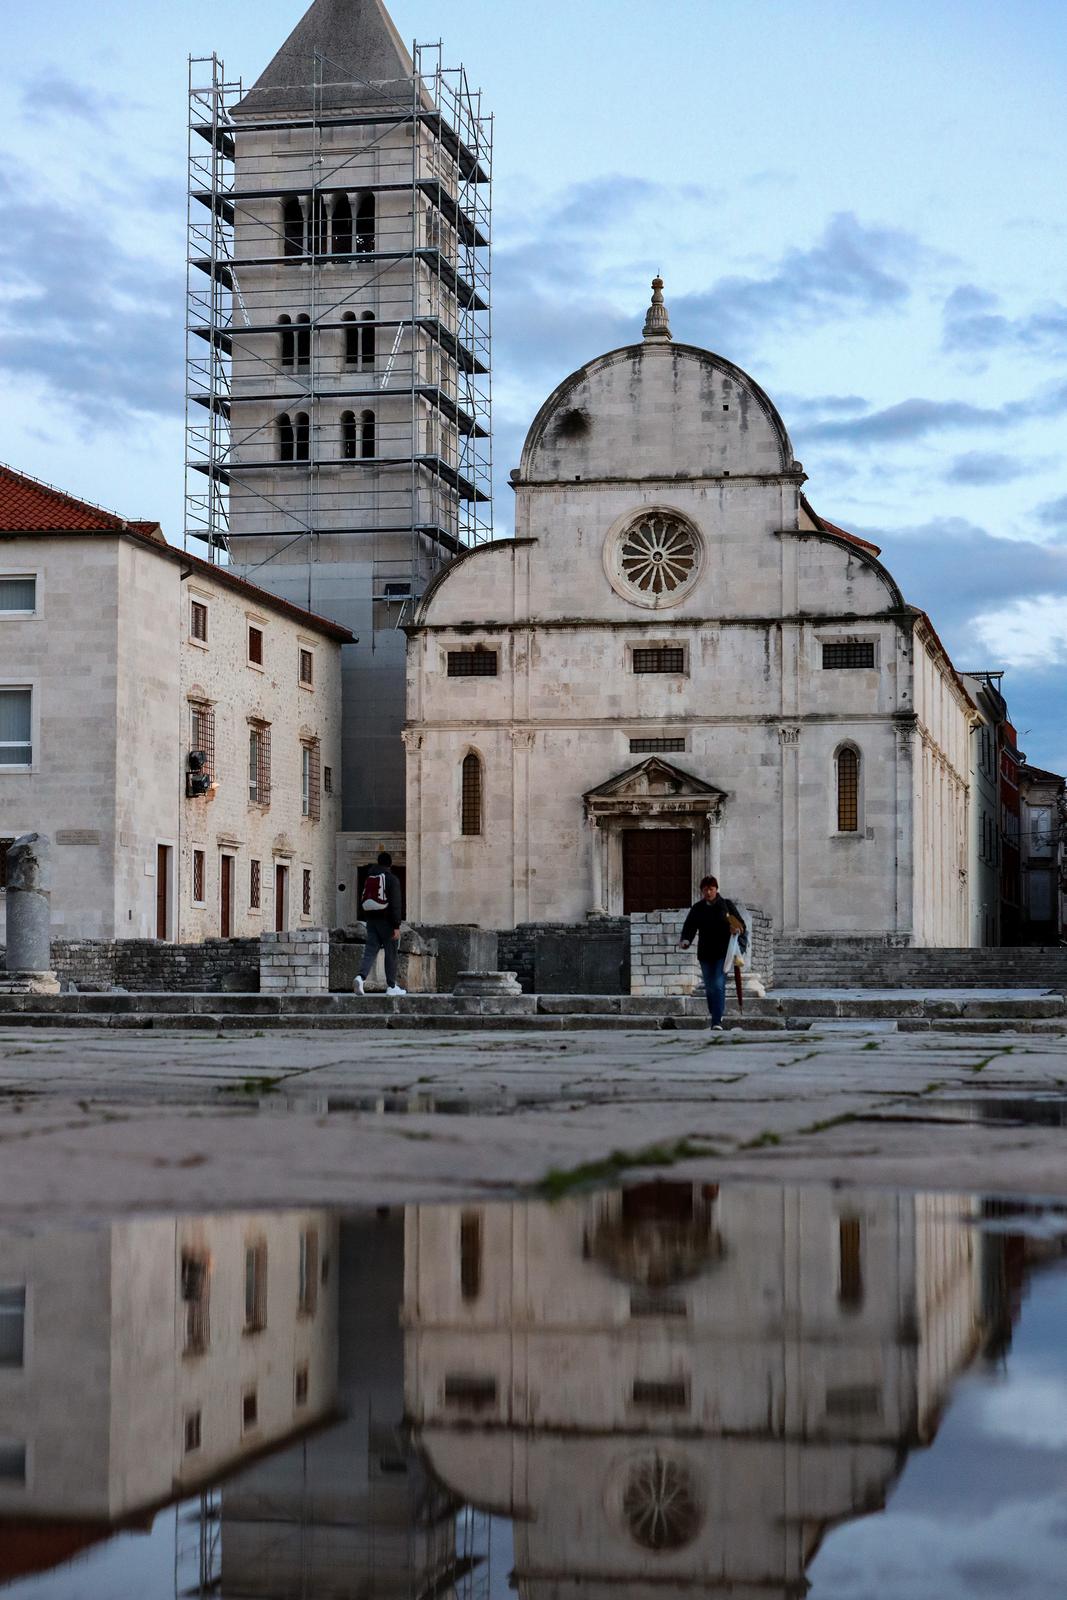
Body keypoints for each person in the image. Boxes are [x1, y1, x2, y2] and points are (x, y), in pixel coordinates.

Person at [679, 876, 746, 1031]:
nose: (708, 892)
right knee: (709, 987)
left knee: (717, 984)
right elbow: (689, 927)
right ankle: (715, 1012)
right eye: (705, 889)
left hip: (723, 953)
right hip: (705, 953)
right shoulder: (698, 908)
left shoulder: (726, 905)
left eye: (711, 889)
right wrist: (686, 940)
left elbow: (740, 924)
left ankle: (716, 1020)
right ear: (702, 891)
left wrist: (736, 928)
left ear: (716, 889)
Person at [353, 851, 406, 996]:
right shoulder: (391, 879)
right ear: (390, 864)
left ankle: (360, 977)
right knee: (391, 953)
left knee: (370, 951)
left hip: (371, 921)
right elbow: (395, 904)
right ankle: (391, 986)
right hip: (387, 922)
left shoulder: (370, 877)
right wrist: (396, 926)